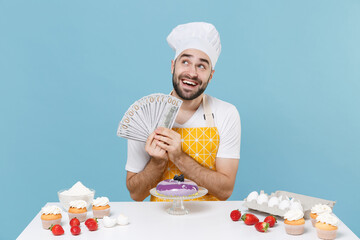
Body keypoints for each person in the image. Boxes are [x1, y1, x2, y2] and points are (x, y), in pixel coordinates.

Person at [125, 22, 241, 201]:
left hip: (210, 223)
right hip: (160, 222)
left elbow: (225, 191)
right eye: (185, 62)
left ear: (211, 75)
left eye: (201, 66)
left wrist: (179, 157)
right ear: (173, 66)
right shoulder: (145, 116)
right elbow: (136, 194)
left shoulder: (226, 113)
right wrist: (157, 163)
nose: (192, 73)